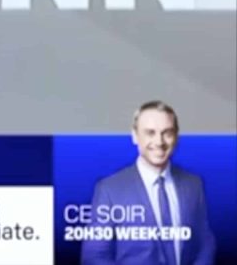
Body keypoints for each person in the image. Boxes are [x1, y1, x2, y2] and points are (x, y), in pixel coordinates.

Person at [81, 101, 216, 265]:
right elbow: (94, 256)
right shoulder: (109, 190)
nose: (159, 142)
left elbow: (205, 242)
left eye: (167, 133)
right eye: (150, 133)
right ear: (135, 136)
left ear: (176, 137)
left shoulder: (193, 184)